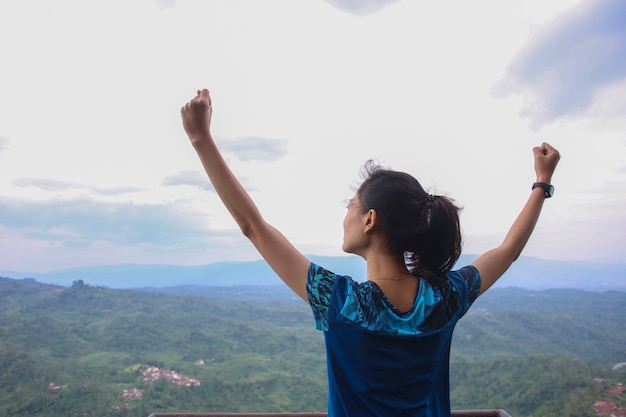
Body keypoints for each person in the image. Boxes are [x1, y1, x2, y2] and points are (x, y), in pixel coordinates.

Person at [180, 89, 561, 417]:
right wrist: (541, 182)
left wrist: (201, 139)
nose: (344, 215)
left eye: (351, 205)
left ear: (370, 220)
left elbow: (254, 227)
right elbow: (508, 251)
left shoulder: (341, 303)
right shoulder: (445, 298)